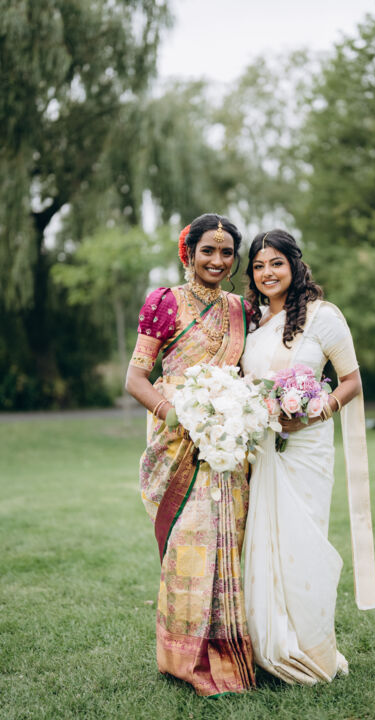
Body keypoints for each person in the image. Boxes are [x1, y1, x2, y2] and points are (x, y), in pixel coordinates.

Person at [125, 213, 255, 697]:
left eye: (227, 253)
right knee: (189, 547)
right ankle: (183, 659)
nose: (217, 260)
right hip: (179, 442)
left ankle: (229, 651)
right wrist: (176, 415)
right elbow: (135, 378)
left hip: (228, 448)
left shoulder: (243, 310)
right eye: (208, 251)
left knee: (228, 544)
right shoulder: (165, 302)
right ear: (189, 253)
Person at [241, 229, 375, 685]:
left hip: (307, 448)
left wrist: (319, 410)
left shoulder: (324, 317)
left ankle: (311, 648)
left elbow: (351, 380)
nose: (267, 273)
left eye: (276, 263)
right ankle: (270, 643)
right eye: (258, 266)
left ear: (295, 265)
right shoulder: (254, 324)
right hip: (264, 449)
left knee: (304, 543)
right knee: (266, 543)